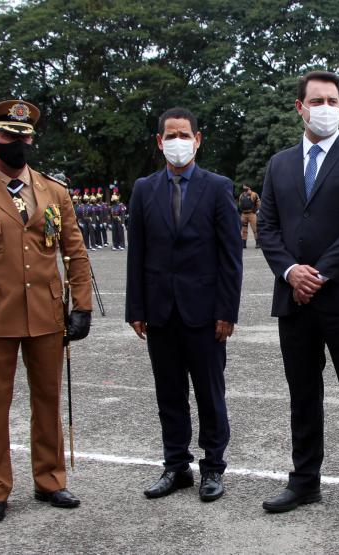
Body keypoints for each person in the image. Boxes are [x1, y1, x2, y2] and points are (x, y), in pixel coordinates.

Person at [0, 99, 93, 524]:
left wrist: (81, 306)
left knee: (48, 401)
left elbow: (74, 253)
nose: (20, 143)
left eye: (25, 136)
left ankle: (50, 480)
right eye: (10, 136)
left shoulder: (54, 191)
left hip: (46, 313)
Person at [257, 70, 339, 526]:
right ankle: (304, 480)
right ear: (300, 107)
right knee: (302, 394)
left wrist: (321, 273)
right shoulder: (279, 164)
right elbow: (266, 228)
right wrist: (291, 271)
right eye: (317, 100)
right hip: (294, 299)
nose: (326, 107)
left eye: (333, 100)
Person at [125, 107, 242, 504]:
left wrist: (227, 310)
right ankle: (176, 466)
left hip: (206, 313)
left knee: (210, 394)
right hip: (159, 311)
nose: (178, 141)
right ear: (159, 142)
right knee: (169, 394)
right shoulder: (144, 188)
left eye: (184, 134)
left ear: (198, 138)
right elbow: (137, 252)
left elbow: (230, 255)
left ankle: (213, 467)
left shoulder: (218, 186)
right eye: (170, 135)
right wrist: (135, 308)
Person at [237, 184, 261, 248]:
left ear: (248, 187)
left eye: (245, 186)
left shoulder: (254, 194)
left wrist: (256, 210)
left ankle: (258, 243)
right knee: (244, 230)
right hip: (244, 214)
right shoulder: (241, 195)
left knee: (255, 228)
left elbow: (258, 203)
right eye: (243, 186)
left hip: (252, 214)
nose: (243, 187)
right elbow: (239, 204)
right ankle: (244, 244)